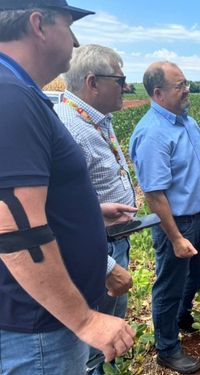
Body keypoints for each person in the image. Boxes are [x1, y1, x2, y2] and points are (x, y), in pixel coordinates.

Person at [0, 1, 135, 374]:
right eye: (69, 25)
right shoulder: (11, 97)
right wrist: (84, 320)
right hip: (39, 332)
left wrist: (90, 214)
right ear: (38, 24)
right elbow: (15, 231)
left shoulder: (19, 93)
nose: (75, 41)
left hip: (39, 323)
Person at [130, 61, 200, 374]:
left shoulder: (187, 121)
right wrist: (175, 237)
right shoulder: (152, 133)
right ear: (159, 92)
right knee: (169, 285)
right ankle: (167, 347)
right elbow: (154, 194)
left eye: (187, 83)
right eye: (180, 86)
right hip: (177, 224)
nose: (187, 89)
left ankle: (181, 313)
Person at [56, 44, 136, 375]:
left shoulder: (97, 120)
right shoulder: (68, 130)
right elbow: (57, 216)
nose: (126, 87)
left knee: (107, 335)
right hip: (92, 251)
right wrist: (105, 265)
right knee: (94, 342)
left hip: (110, 238)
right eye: (120, 79)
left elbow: (78, 200)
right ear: (93, 82)